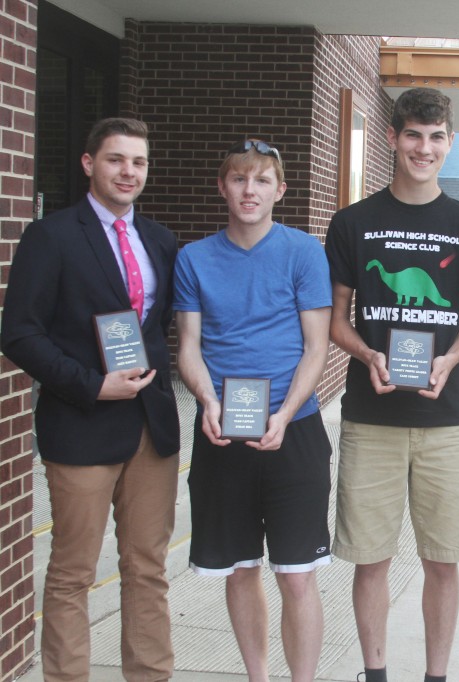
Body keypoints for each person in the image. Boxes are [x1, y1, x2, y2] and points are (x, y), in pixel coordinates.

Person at [325, 87, 459, 682]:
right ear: (395, 138)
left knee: (442, 560)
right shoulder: (352, 223)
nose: (424, 148)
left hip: (445, 417)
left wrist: (448, 360)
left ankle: (436, 675)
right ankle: (375, 672)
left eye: (436, 137)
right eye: (413, 136)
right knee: (369, 559)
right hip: (370, 418)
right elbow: (336, 319)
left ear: (448, 143)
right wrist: (368, 351)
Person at [1, 117, 180, 681]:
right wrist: (90, 383)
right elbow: (19, 333)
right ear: (88, 164)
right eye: (116, 159)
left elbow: (162, 327)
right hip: (81, 424)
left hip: (151, 427)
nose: (128, 172)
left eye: (138, 162)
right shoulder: (50, 236)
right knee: (73, 572)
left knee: (147, 568)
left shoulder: (160, 240)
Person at [174, 138, 333, 681]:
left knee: (296, 574)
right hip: (223, 432)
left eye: (262, 180)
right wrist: (209, 402)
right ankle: (257, 677)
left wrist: (285, 414)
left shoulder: (304, 252)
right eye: (239, 179)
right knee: (240, 570)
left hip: (296, 431)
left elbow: (317, 347)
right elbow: (189, 345)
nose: (249, 190)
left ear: (279, 191)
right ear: (223, 187)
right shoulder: (193, 258)